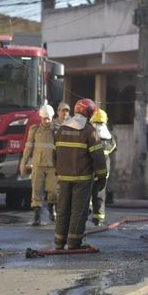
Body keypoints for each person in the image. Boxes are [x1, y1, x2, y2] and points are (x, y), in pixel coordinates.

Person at [54, 98, 107, 250]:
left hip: (63, 178)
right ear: (89, 113)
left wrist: (59, 170)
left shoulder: (62, 129)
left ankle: (59, 241)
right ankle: (74, 242)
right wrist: (102, 176)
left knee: (62, 208)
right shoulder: (89, 131)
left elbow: (54, 153)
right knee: (79, 210)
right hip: (82, 179)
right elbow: (98, 157)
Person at [20, 104, 58, 226]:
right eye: (44, 118)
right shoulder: (34, 129)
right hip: (38, 165)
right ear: (40, 118)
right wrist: (23, 163)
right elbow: (28, 147)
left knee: (54, 191)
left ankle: (52, 208)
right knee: (36, 191)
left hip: (53, 165)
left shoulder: (58, 130)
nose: (46, 121)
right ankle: (37, 216)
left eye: (48, 118)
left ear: (52, 117)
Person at [89, 108, 116, 226]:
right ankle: (99, 219)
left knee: (87, 192)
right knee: (100, 194)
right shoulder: (109, 138)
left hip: (90, 170)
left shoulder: (89, 135)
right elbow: (113, 149)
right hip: (105, 171)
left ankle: (86, 213)